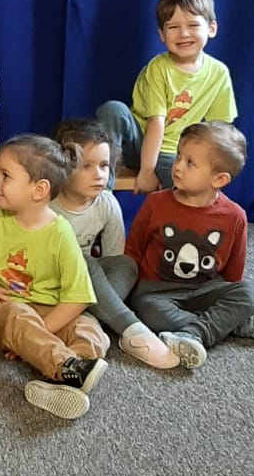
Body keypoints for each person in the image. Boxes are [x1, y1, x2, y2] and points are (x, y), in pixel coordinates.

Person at [0, 134, 109, 420]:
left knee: (90, 329)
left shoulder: (61, 233)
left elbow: (77, 299)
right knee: (18, 316)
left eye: (5, 176)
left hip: (48, 311)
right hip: (3, 308)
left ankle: (59, 381)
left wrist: (39, 333)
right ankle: (65, 366)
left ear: (39, 190)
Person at [51, 118, 199, 370]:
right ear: (63, 168)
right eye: (87, 166)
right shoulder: (48, 204)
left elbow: (114, 258)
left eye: (104, 166)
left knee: (126, 264)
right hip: (54, 281)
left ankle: (93, 319)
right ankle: (133, 330)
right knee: (81, 260)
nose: (99, 175)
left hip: (90, 283)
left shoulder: (107, 203)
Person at [125, 121, 254, 364]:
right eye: (178, 156)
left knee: (250, 294)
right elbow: (133, 249)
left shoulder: (235, 216)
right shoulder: (155, 203)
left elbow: (234, 270)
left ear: (219, 179)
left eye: (190, 163)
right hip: (157, 292)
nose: (177, 166)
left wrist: (229, 294)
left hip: (205, 289)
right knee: (148, 312)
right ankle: (226, 325)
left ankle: (196, 333)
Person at [96, 0, 236, 194]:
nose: (184, 33)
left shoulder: (219, 72)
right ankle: (103, 189)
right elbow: (156, 123)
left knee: (194, 182)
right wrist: (147, 171)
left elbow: (219, 128)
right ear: (162, 34)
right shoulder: (158, 68)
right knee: (113, 110)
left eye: (193, 25)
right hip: (140, 143)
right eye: (173, 27)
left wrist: (204, 166)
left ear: (211, 28)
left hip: (179, 152)